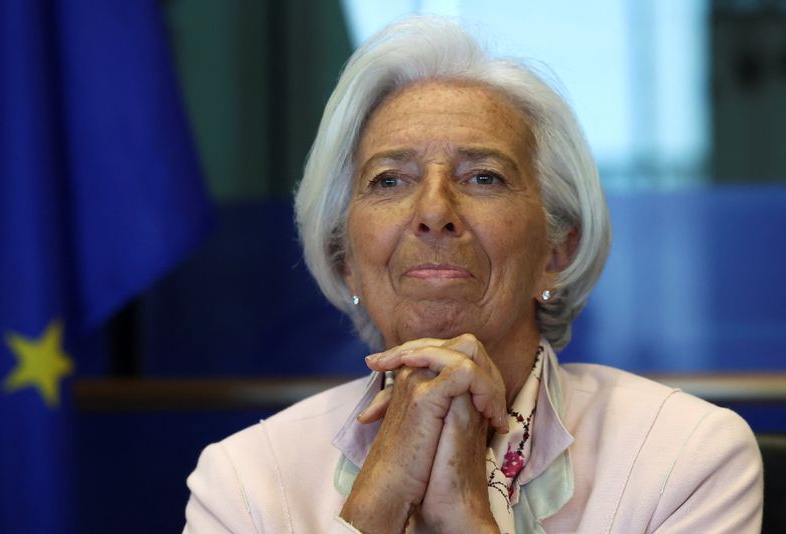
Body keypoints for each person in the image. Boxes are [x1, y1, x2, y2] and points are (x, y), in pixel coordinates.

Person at [183, 16, 763, 533]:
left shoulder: (685, 458)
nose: (434, 212)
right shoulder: (244, 482)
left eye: (483, 177)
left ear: (557, 250)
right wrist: (375, 506)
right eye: (390, 180)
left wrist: (467, 515)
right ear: (345, 258)